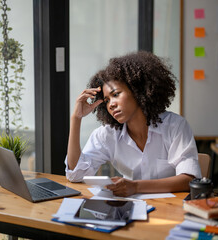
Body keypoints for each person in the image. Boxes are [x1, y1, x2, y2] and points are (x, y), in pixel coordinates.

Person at [65, 51, 201, 197]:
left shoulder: (175, 126)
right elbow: (76, 175)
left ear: (137, 91)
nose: (111, 105)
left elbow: (189, 179)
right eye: (106, 101)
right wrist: (76, 118)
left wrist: (135, 187)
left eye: (115, 95)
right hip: (131, 209)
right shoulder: (107, 134)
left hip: (171, 210)